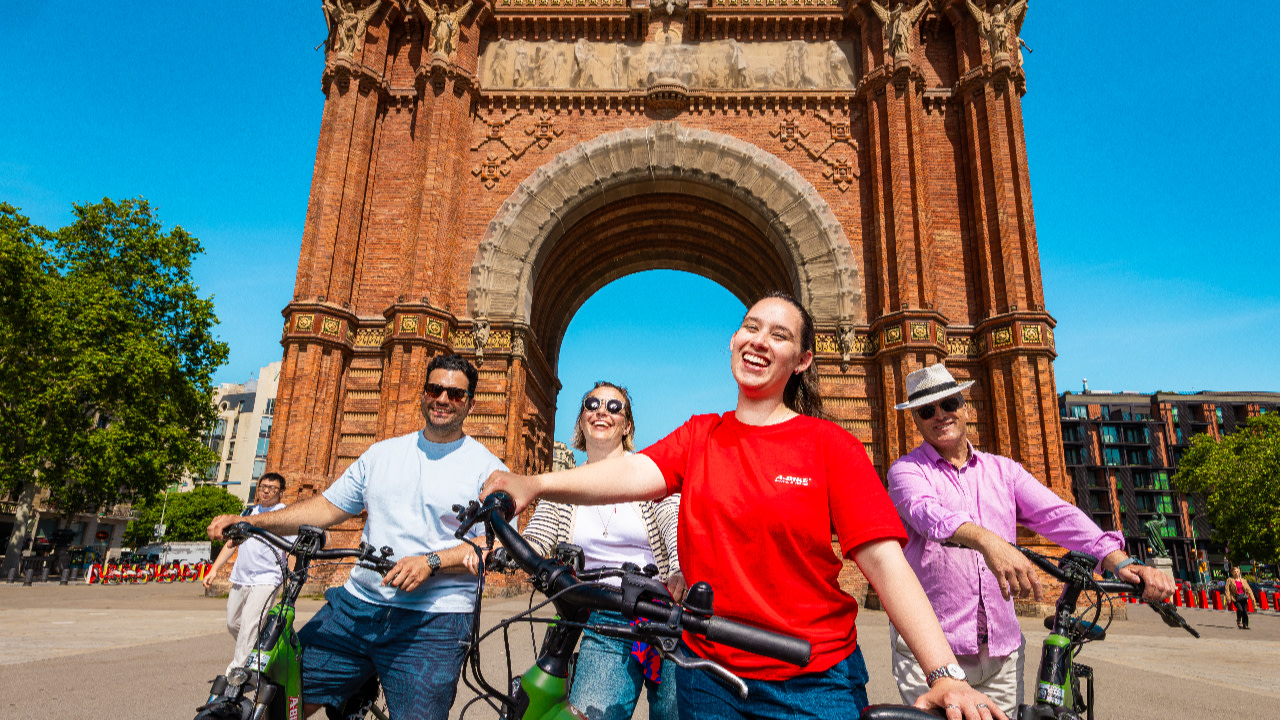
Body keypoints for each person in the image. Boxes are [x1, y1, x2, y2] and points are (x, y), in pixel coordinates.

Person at [485, 292, 1005, 720]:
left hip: (812, 679)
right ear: (734, 341)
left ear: (802, 360)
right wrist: (533, 483)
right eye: (750, 328)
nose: (759, 341)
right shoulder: (700, 435)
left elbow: (886, 565)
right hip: (709, 673)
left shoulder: (832, 446)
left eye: (779, 335)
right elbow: (627, 473)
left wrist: (944, 675)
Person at [207, 353, 506, 719]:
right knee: (279, 703)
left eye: (455, 394)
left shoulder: (488, 470)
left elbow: (496, 545)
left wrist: (433, 562)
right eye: (435, 389)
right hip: (356, 605)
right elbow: (326, 507)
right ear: (423, 393)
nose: (443, 399)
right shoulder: (381, 455)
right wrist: (253, 522)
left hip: (434, 619)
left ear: (470, 404)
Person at [886, 363, 1177, 718]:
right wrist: (988, 542)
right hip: (933, 653)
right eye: (927, 410)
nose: (940, 415)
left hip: (1001, 654)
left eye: (948, 403)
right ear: (916, 421)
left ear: (964, 407)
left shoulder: (1003, 471)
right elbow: (927, 513)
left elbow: (1058, 515)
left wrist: (1119, 560)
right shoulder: (906, 472)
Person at [522, 382, 682, 720]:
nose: (601, 411)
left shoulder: (649, 474)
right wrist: (502, 548)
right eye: (592, 404)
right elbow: (536, 537)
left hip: (664, 611)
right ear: (581, 421)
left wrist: (679, 569)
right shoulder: (563, 486)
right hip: (604, 614)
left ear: (627, 426)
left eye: (614, 407)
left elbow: (675, 524)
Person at [204, 472, 292, 675]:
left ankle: (236, 672)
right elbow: (231, 543)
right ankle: (262, 652)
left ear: (281, 492)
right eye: (263, 487)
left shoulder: (284, 515)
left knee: (249, 625)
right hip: (241, 576)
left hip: (268, 578)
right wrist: (214, 569)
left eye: (272, 488)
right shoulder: (248, 513)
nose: (266, 491)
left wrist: (291, 577)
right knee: (233, 622)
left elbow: (291, 549)